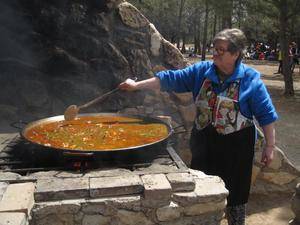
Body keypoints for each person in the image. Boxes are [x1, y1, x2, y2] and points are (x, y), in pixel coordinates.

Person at [119, 28, 278, 225]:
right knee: (202, 191)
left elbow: (266, 116)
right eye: (215, 48)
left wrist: (269, 147)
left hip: (237, 150)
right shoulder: (202, 71)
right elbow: (170, 79)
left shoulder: (250, 80)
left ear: (236, 54)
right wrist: (136, 86)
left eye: (221, 50)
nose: (215, 53)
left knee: (235, 198)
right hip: (204, 145)